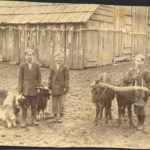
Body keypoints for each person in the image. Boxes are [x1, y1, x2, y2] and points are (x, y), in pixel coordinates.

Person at [123, 54, 150, 130]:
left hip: (142, 93)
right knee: (136, 109)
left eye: (141, 61)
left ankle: (141, 123)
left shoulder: (146, 72)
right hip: (133, 93)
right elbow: (125, 79)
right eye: (137, 61)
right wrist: (132, 77)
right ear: (135, 61)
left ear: (143, 62)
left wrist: (147, 91)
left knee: (141, 108)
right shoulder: (131, 70)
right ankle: (139, 121)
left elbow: (149, 82)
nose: (139, 63)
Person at [18, 48, 42, 127]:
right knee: (24, 106)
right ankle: (23, 120)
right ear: (25, 56)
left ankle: (33, 119)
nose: (29, 57)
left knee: (34, 105)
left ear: (33, 56)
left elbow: (39, 77)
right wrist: (20, 89)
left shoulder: (37, 65)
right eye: (27, 55)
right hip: (26, 89)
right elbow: (20, 78)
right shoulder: (22, 65)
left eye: (31, 55)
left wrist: (38, 87)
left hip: (34, 89)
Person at [48, 52, 69, 123]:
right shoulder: (52, 67)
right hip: (54, 88)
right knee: (54, 103)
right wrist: (49, 86)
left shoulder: (64, 67)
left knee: (62, 103)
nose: (58, 59)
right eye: (57, 58)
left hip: (62, 88)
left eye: (60, 58)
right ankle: (55, 115)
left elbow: (67, 77)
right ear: (54, 58)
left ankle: (61, 115)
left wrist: (66, 86)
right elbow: (50, 77)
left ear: (62, 59)